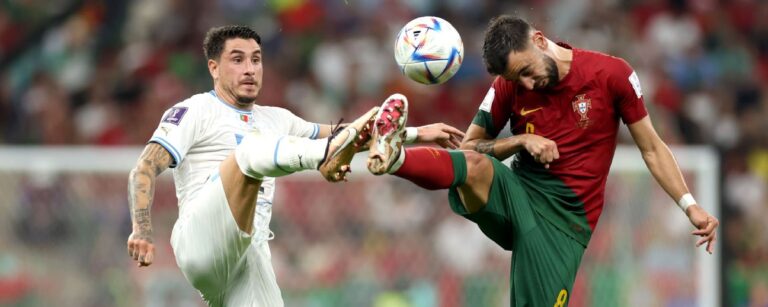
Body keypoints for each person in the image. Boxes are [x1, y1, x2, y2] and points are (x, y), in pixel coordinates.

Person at [365, 15, 719, 306]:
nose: (528, 84)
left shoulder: (612, 75)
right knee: (472, 165)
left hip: (564, 223)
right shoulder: (508, 87)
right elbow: (470, 145)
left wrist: (690, 206)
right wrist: (520, 140)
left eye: (526, 70)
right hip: (517, 196)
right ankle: (393, 157)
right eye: (517, 79)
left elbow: (652, 148)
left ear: (538, 40)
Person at [125, 25, 464, 306]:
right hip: (200, 240)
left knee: (278, 150)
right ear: (214, 68)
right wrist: (141, 229)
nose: (249, 69)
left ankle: (326, 155)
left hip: (247, 255)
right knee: (250, 152)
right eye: (237, 59)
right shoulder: (194, 110)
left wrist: (418, 133)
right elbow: (144, 167)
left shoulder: (278, 119)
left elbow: (347, 133)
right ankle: (325, 158)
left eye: (256, 59)